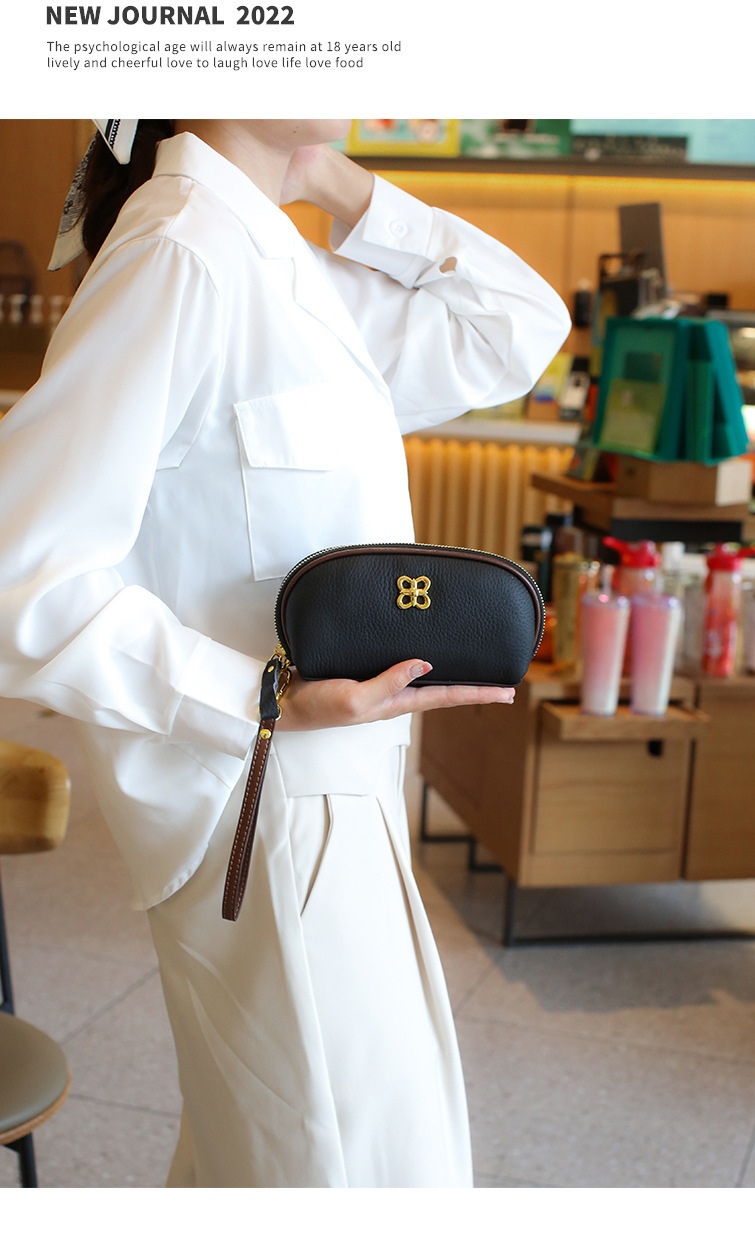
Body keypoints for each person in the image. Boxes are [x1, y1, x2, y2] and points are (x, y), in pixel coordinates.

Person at [0, 119, 570, 1187]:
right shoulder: (180, 252)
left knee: (280, 1156)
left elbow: (517, 326)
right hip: (260, 801)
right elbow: (17, 570)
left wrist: (346, 188)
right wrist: (251, 695)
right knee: (352, 1167)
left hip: (337, 794)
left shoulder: (275, 260)